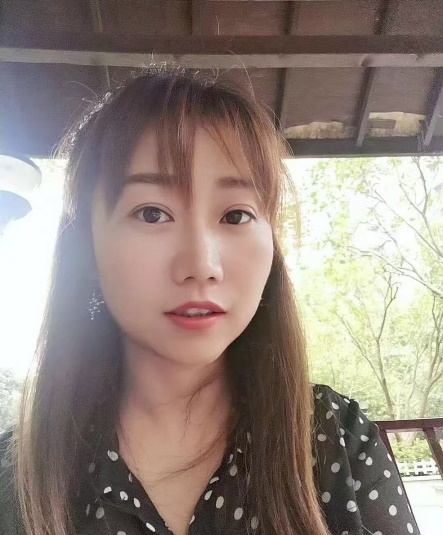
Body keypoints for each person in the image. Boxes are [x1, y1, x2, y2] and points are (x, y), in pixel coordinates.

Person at [0, 65, 420, 535]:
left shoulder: (335, 438)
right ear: (87, 248)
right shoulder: (17, 477)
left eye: (236, 215)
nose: (201, 264)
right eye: (152, 213)